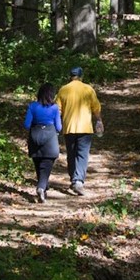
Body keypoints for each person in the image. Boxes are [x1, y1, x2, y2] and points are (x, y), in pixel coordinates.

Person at [56, 67, 102, 195]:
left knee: (71, 154)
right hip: (85, 128)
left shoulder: (63, 90)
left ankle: (73, 179)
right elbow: (96, 108)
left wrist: (55, 126)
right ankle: (78, 181)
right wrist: (99, 120)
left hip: (69, 127)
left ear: (70, 76)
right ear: (81, 76)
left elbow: (57, 110)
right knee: (82, 154)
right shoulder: (88, 89)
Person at [23, 83, 62, 203]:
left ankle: (43, 188)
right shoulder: (54, 108)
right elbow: (59, 127)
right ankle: (41, 187)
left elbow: (27, 124)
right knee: (46, 165)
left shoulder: (32, 106)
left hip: (35, 137)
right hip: (50, 138)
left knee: (38, 164)